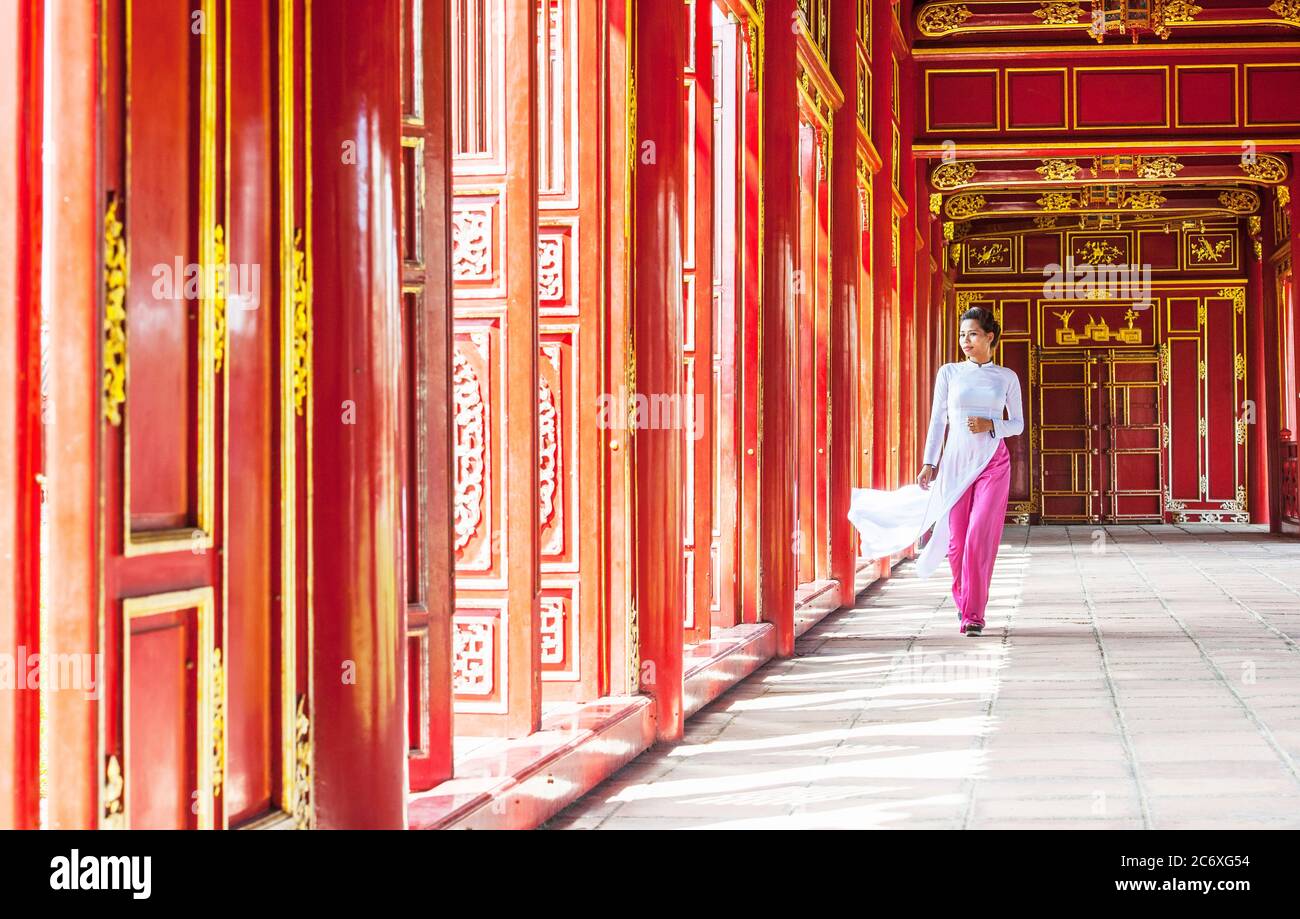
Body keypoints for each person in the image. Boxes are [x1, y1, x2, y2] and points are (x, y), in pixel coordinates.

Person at [848, 307, 1024, 636]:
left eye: (973, 334)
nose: (966, 341)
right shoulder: (949, 373)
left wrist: (991, 424)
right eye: (962, 335)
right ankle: (965, 602)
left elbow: (1017, 424)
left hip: (992, 462)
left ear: (990, 337)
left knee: (977, 537)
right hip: (955, 463)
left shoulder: (1006, 377)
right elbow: (937, 420)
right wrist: (929, 462)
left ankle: (974, 614)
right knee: (956, 542)